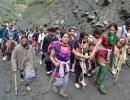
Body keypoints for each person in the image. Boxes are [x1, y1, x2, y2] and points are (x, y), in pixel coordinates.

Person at [50, 32, 89, 97]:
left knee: (65, 82)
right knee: (60, 82)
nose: (66, 38)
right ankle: (55, 85)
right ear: (61, 38)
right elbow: (51, 56)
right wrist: (55, 62)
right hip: (58, 66)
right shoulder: (57, 46)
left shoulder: (69, 46)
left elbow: (76, 53)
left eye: (67, 37)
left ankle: (62, 91)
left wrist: (85, 57)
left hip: (66, 66)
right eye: (64, 37)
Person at [89, 23, 119, 94]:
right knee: (104, 70)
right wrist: (93, 53)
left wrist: (116, 48)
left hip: (109, 55)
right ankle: (101, 85)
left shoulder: (116, 37)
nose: (111, 31)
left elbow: (114, 45)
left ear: (116, 30)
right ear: (108, 29)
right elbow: (97, 45)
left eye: (113, 30)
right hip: (102, 54)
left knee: (102, 69)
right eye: (110, 30)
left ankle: (97, 80)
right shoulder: (104, 36)